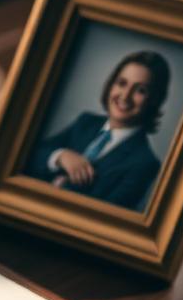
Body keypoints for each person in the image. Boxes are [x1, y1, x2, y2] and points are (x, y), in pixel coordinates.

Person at [26, 50, 170, 211]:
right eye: (121, 83)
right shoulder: (86, 122)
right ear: (111, 85)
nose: (125, 96)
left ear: (155, 100)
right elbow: (29, 154)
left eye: (140, 90)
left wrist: (64, 186)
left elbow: (104, 216)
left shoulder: (145, 163)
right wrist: (60, 156)